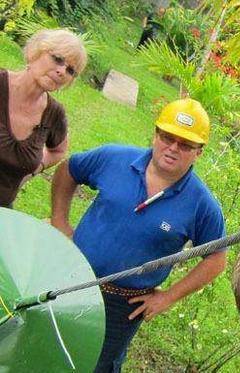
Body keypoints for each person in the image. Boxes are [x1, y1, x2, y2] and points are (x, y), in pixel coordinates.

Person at [50, 98, 227, 373]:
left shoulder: (201, 205)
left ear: (199, 152)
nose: (173, 148)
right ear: (156, 134)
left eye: (185, 145)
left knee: (94, 365)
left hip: (122, 305)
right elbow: (69, 170)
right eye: (168, 137)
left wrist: (168, 297)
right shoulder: (113, 158)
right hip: (69, 274)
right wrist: (60, 221)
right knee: (43, 342)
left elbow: (216, 259)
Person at [0, 28, 86, 207]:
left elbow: (59, 151)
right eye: (57, 59)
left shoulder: (54, 115)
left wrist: (33, 171)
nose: (62, 71)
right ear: (35, 52)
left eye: (70, 70)